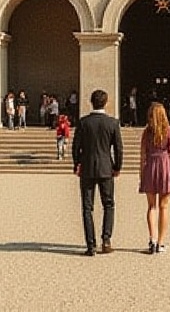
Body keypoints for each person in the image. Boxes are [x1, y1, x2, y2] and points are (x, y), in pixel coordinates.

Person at [72, 88, 124, 256]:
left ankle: (91, 245)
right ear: (106, 103)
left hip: (87, 167)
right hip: (106, 167)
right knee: (108, 204)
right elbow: (118, 148)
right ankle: (106, 240)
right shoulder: (112, 123)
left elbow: (75, 146)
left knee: (87, 207)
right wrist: (117, 167)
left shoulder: (83, 122)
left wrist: (77, 164)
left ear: (91, 102)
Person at [138, 101, 170, 253]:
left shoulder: (146, 132)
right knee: (164, 206)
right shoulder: (168, 131)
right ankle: (160, 242)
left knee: (151, 206)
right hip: (165, 166)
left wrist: (141, 174)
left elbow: (142, 155)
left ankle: (152, 239)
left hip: (150, 166)